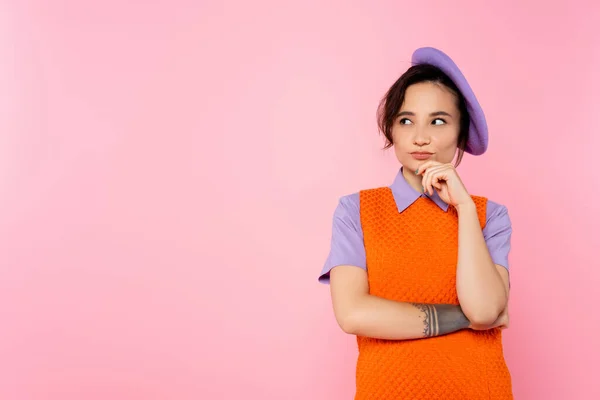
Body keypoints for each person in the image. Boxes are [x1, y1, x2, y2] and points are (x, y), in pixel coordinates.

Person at [318, 47, 513, 399]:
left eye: (438, 121)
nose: (420, 136)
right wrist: (463, 318)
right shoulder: (355, 211)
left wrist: (465, 209)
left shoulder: (489, 215)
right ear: (391, 128)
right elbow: (353, 314)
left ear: (460, 133)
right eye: (406, 120)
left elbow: (484, 309)